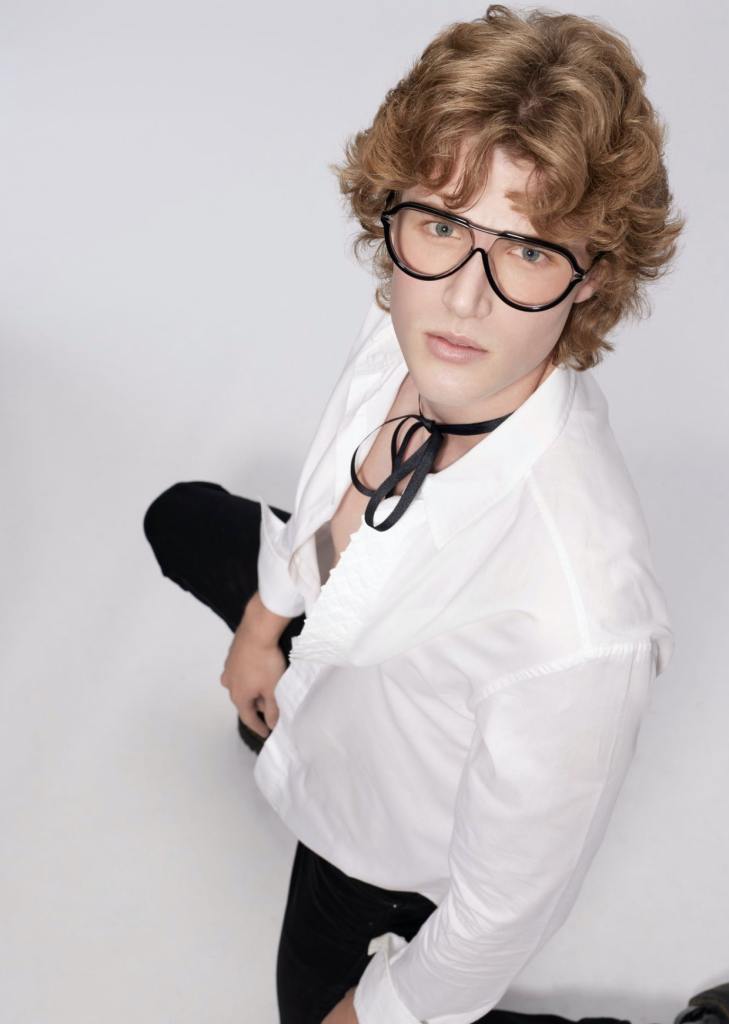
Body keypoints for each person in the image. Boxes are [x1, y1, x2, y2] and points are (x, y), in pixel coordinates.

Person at [142, 5, 707, 1024]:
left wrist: (381, 1012)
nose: (463, 299)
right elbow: (341, 495)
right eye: (443, 224)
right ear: (395, 217)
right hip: (343, 653)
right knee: (181, 519)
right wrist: (265, 628)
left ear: (590, 282)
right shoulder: (413, 324)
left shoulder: (581, 623)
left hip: (381, 846)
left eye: (526, 250)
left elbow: (498, 917)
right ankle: (282, 700)